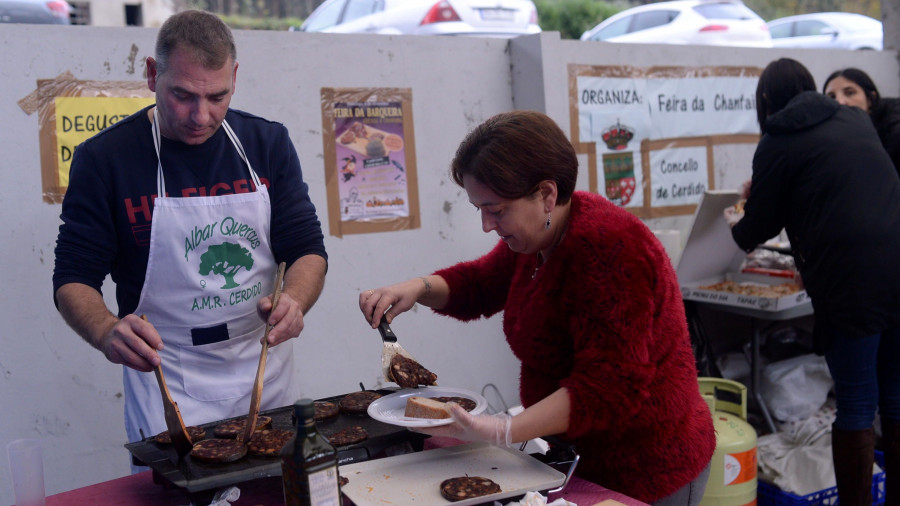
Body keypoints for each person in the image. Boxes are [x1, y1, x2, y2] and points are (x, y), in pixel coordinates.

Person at [359, 111, 715, 505]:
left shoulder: (610, 250)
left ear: (546, 194)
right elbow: (480, 284)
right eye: (479, 209)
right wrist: (417, 288)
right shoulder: (539, 239)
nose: (486, 225)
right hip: (576, 456)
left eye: (496, 210)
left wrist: (502, 430)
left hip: (646, 466)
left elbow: (608, 388)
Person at [52, 10, 328, 455]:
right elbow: (72, 279)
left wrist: (294, 300)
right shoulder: (106, 160)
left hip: (262, 362)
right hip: (165, 374)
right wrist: (106, 331)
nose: (201, 115)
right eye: (182, 95)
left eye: (217, 96)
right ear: (151, 74)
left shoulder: (267, 144)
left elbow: (307, 250)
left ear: (234, 77)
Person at [725, 58, 900, 506]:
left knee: (858, 403)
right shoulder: (853, 121)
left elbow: (754, 230)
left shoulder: (779, 140)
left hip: (852, 285)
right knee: (895, 397)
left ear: (765, 100)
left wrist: (739, 212)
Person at [822, 67, 900, 172]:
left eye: (849, 93)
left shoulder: (894, 128)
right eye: (832, 97)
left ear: (870, 99)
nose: (840, 102)